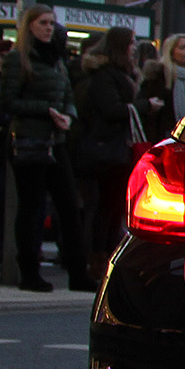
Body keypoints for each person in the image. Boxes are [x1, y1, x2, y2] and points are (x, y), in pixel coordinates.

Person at [0, 4, 94, 293]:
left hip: (56, 140)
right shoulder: (19, 59)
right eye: (43, 23)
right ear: (29, 26)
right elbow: (8, 102)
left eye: (52, 23)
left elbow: (67, 95)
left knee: (69, 205)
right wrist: (46, 110)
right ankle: (29, 271)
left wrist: (67, 114)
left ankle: (78, 272)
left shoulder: (56, 60)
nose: (48, 28)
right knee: (32, 207)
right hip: (30, 140)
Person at [72, 26, 143, 263]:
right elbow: (111, 109)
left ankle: (104, 254)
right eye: (131, 43)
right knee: (104, 206)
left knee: (111, 207)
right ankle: (97, 257)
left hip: (113, 147)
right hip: (106, 149)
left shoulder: (116, 73)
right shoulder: (105, 75)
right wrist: (140, 107)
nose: (134, 48)